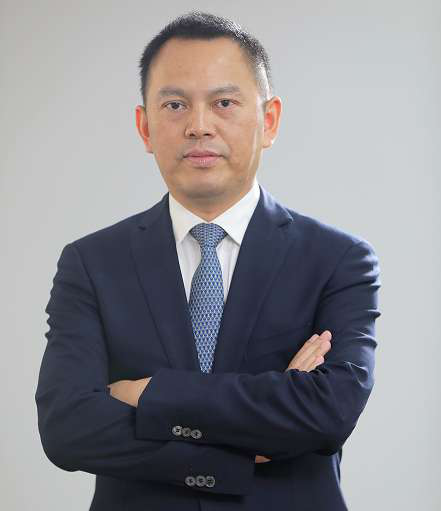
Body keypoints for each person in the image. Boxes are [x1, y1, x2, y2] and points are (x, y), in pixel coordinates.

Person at [35, 10, 381, 511]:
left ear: (268, 121)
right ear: (145, 127)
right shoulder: (91, 263)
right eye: (175, 105)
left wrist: (149, 394)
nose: (199, 126)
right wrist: (246, 443)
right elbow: (67, 428)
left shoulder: (338, 260)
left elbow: (328, 413)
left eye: (224, 103)